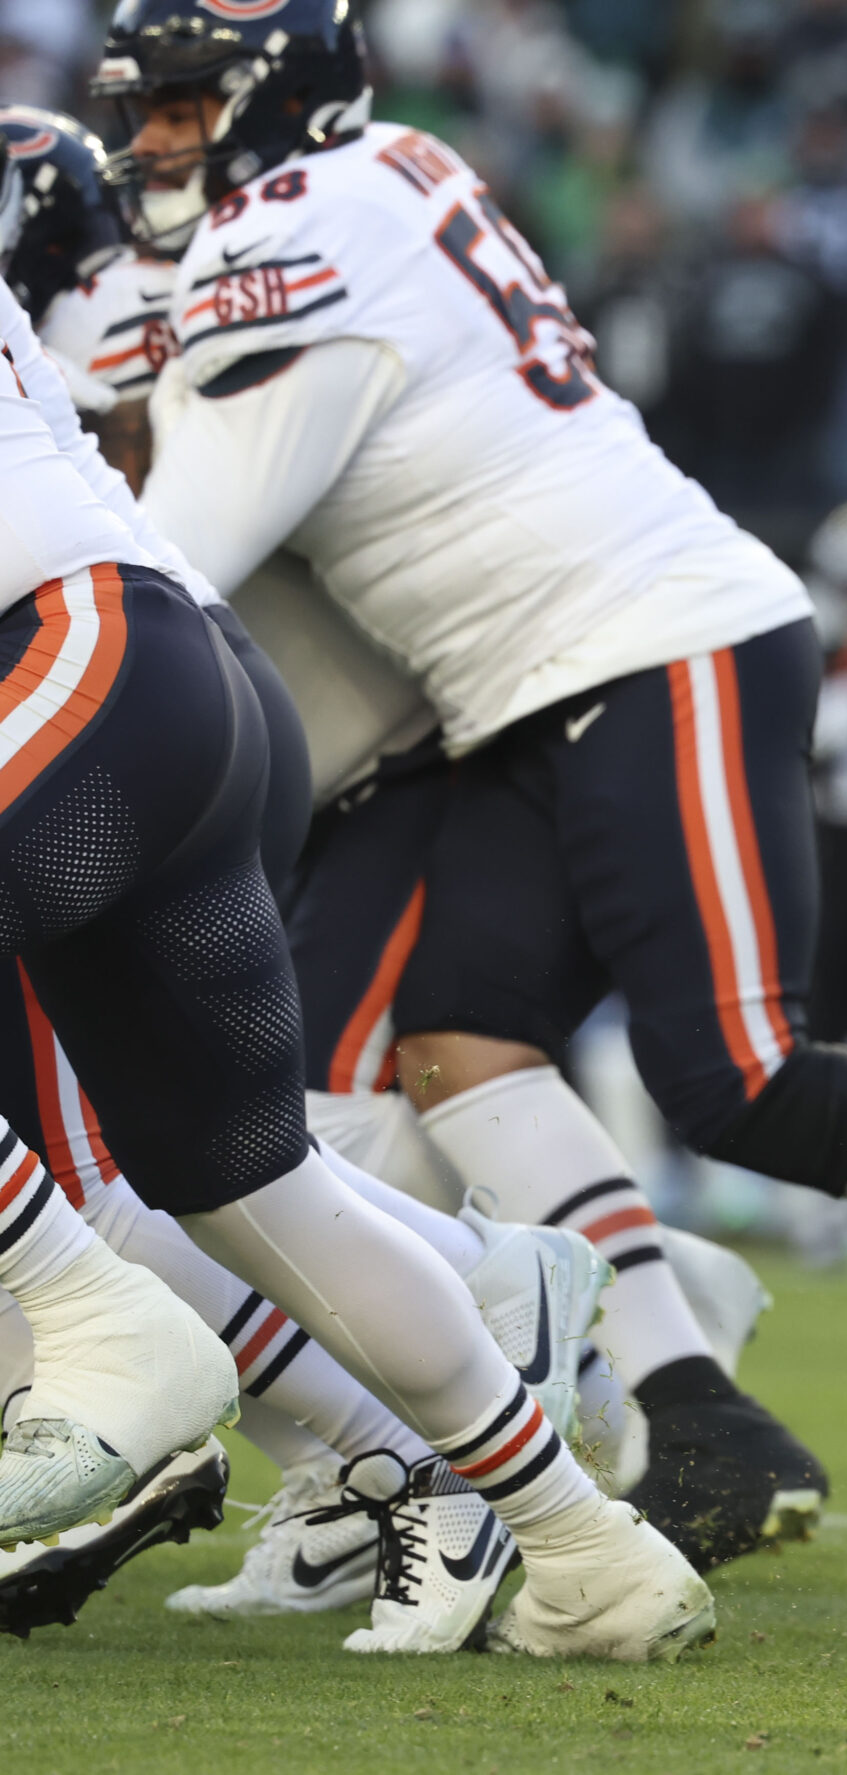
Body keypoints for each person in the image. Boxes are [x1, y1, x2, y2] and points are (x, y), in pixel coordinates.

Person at [95, 0, 847, 1568]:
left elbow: (178, 566)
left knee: (737, 1071)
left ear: (274, 104)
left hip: (656, 639)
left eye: (183, 107)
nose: (158, 142)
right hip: (532, 685)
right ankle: (694, 1397)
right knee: (456, 1043)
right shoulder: (379, 174)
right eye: (145, 109)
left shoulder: (291, 234)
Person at [0, 129, 708, 1660]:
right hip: (145, 669)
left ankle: (100, 1327)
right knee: (254, 1189)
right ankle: (590, 1547)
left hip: (75, 648)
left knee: (132, 1200)